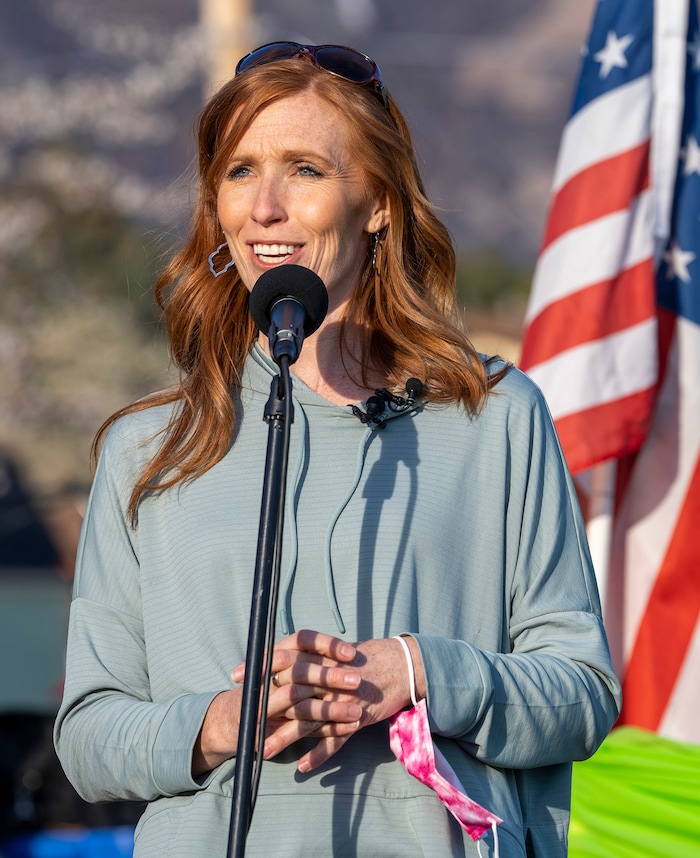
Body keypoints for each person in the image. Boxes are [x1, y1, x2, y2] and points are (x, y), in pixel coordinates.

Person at [54, 42, 621, 857]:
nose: (265, 207)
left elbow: (581, 695)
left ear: (380, 201)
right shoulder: (148, 449)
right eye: (240, 170)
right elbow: (89, 735)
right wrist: (217, 725)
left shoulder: (495, 417)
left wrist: (417, 672)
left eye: (306, 170)